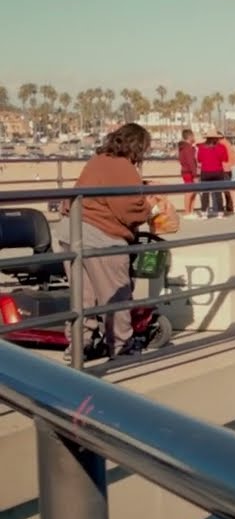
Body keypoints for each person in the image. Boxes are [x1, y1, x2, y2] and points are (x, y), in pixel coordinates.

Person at [59, 123, 159, 359]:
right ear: (137, 146)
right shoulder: (123, 167)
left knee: (82, 297)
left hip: (70, 231)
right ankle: (120, 345)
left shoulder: (98, 159)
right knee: (115, 293)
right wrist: (150, 208)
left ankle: (77, 345)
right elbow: (128, 208)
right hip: (101, 237)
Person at [196, 131, 230, 218]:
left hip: (205, 172)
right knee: (218, 192)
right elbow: (225, 159)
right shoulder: (221, 147)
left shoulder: (202, 147)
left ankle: (204, 213)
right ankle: (220, 212)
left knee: (205, 193)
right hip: (218, 171)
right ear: (216, 138)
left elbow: (199, 159)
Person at [177, 129, 198, 217]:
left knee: (192, 192)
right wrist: (195, 174)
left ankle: (190, 210)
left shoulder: (184, 147)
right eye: (193, 135)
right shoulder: (188, 148)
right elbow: (191, 162)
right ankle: (187, 211)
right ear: (190, 136)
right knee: (189, 192)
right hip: (189, 172)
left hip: (185, 171)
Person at [219, 135, 235, 213]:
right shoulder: (227, 143)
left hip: (233, 167)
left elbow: (225, 158)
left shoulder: (222, 144)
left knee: (231, 187)